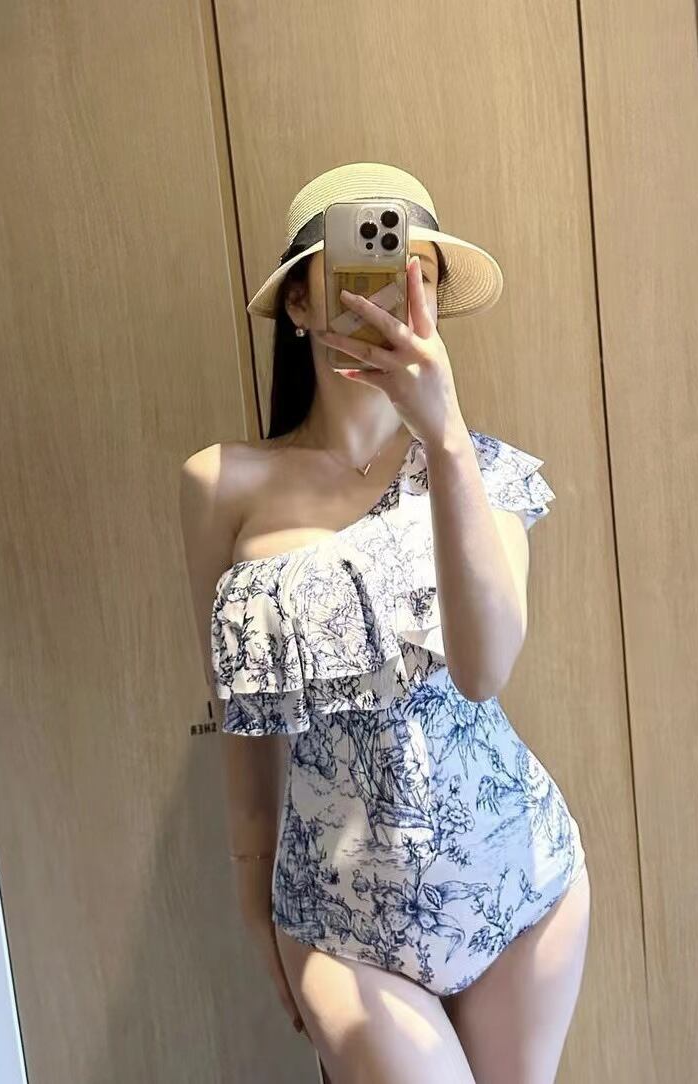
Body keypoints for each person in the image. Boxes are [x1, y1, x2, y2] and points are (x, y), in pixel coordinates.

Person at [180, 163, 591, 1084]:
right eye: (360, 270)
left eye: (417, 273)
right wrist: (251, 892)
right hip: (339, 917)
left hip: (520, 883)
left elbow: (485, 670)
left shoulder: (482, 469)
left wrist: (443, 437)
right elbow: (239, 710)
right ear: (298, 302)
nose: (391, 294)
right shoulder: (221, 484)